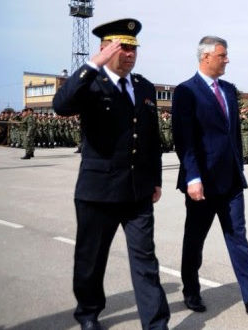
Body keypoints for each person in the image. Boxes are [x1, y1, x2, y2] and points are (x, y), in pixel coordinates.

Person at [52, 18, 170, 330]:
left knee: (145, 261)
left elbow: (151, 138)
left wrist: (156, 179)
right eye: (123, 47)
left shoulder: (143, 86)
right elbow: (60, 106)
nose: (130, 54)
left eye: (134, 48)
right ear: (105, 48)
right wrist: (92, 65)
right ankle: (88, 314)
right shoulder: (90, 82)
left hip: (136, 192)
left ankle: (156, 324)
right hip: (98, 192)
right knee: (91, 261)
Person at [171, 36, 248, 315]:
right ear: (205, 57)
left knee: (238, 237)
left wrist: (239, 168)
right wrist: (192, 177)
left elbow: (232, 133)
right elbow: (184, 139)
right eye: (222, 55)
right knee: (195, 239)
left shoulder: (230, 90)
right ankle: (191, 289)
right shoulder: (187, 91)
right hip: (202, 182)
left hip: (231, 179)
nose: (227, 60)